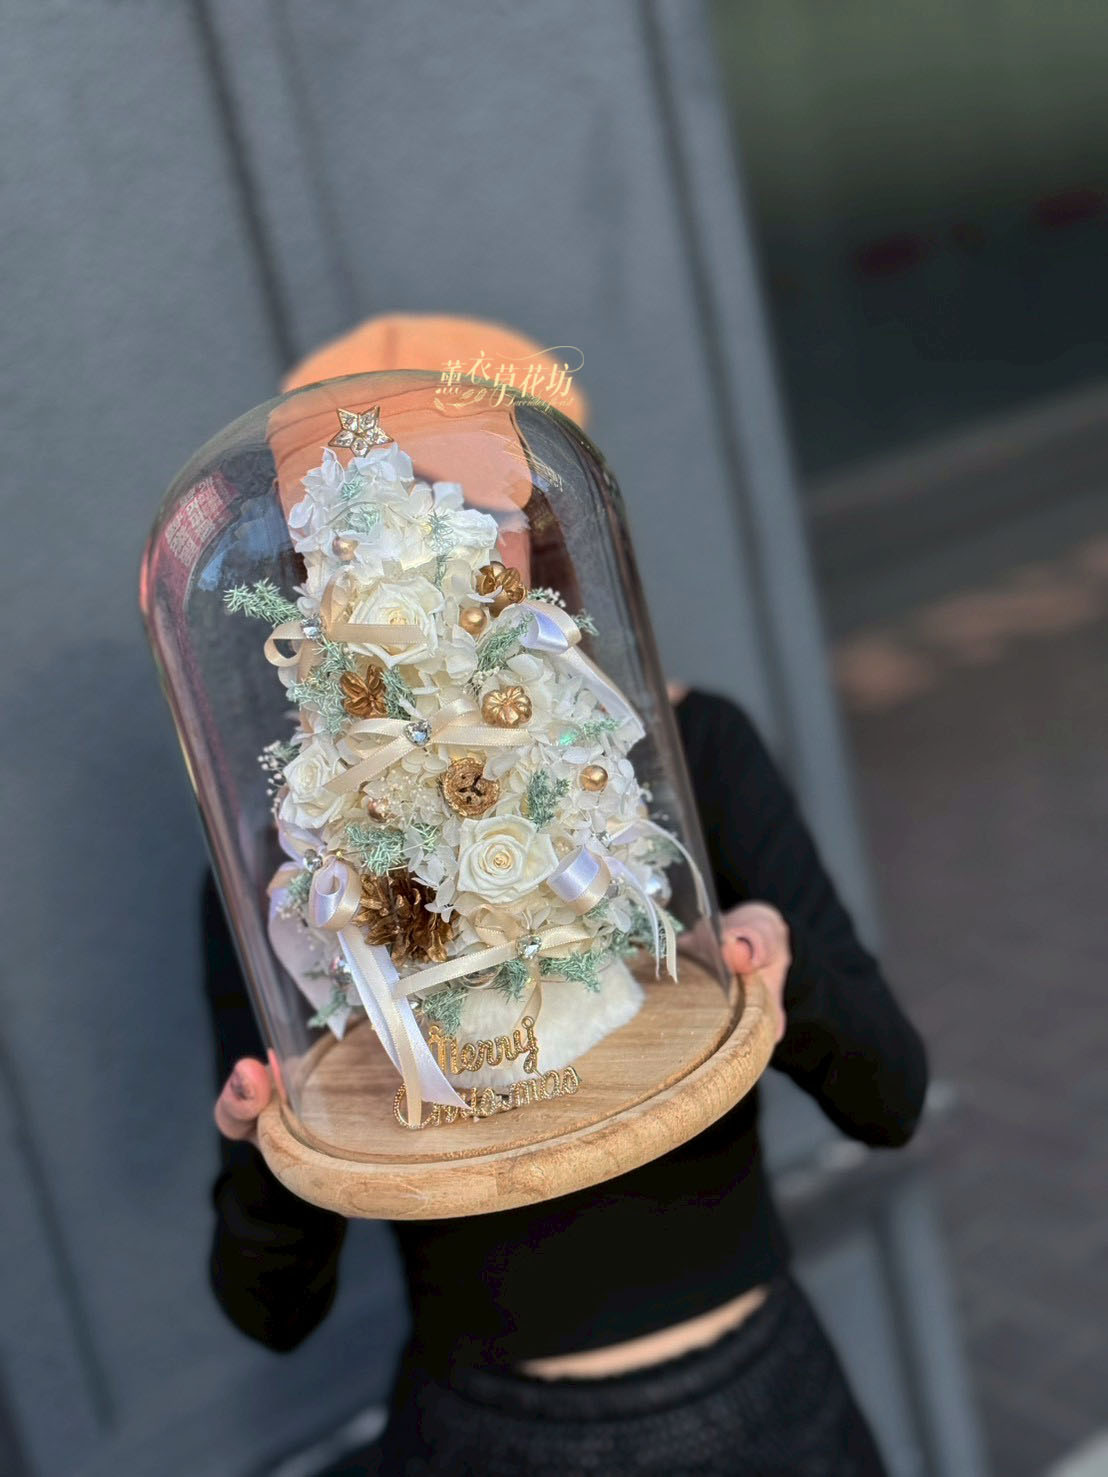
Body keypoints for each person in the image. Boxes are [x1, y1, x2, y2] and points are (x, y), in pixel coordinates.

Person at [204, 318, 928, 1475]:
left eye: (467, 512)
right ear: (318, 566)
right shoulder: (307, 862)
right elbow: (270, 1308)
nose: (428, 554)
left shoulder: (684, 752)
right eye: (382, 519)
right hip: (485, 1435)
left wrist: (770, 975)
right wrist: (265, 1140)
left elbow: (889, 1097)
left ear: (541, 531)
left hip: (764, 1413)